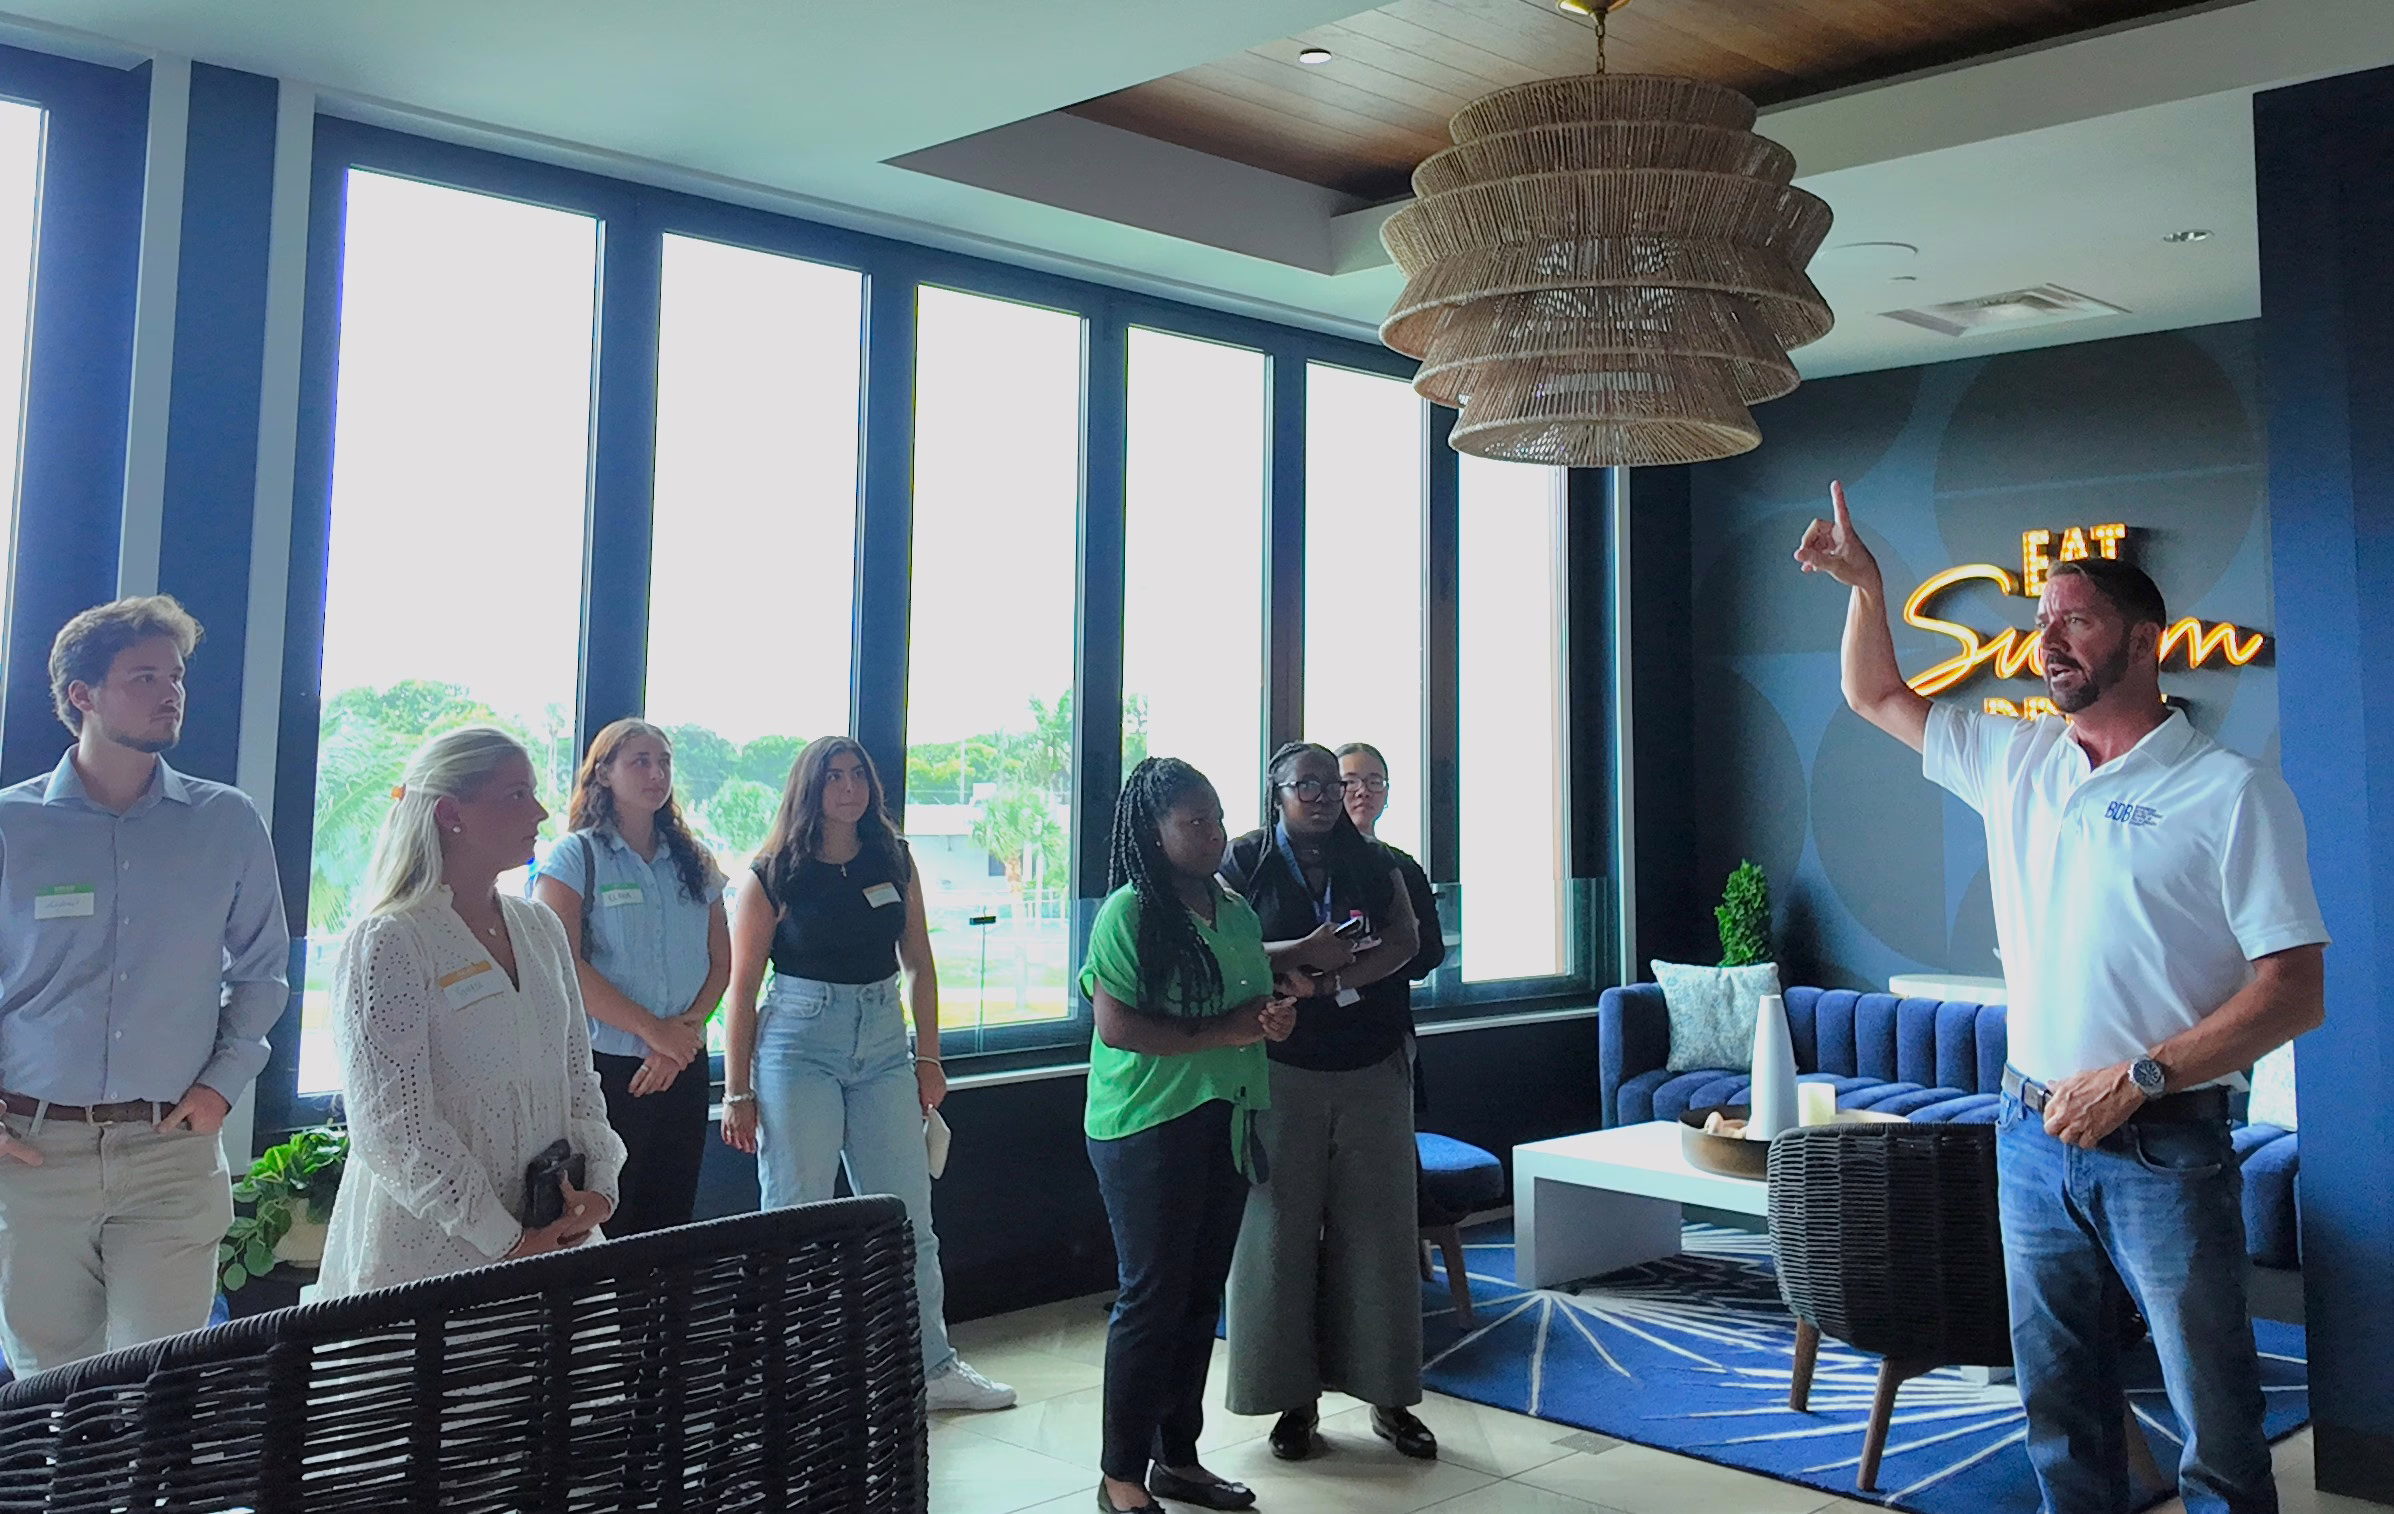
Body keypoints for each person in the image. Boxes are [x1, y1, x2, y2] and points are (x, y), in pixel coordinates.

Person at [1796, 481, 2327, 1514]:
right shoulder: (2016, 758)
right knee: (2059, 1405)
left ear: (2145, 640)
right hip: (2030, 1130)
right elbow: (1875, 695)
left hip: (2166, 1144)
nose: (2047, 640)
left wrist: (2140, 1078)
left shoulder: (2230, 792)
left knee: (2216, 1420)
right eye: (2041, 620)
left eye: (2074, 619)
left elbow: (2295, 991)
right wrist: (1866, 588)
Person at [0, 596, 289, 1375]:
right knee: (49, 1387)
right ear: (82, 695)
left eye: (177, 676)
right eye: (144, 677)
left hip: (171, 1151)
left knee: (160, 1382)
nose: (171, 694)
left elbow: (261, 971)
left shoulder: (226, 822)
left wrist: (222, 1085)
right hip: (32, 1154)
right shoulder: (11, 827)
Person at [719, 735, 1013, 1413]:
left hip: (882, 1043)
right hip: (798, 1044)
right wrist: (738, 1092)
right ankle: (790, 1382)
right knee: (797, 1216)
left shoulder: (894, 857)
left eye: (858, 774)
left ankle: (930, 1367)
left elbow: (920, 964)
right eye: (833, 777)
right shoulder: (773, 872)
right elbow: (741, 990)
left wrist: (929, 1058)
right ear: (809, 788)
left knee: (907, 1217)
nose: (849, 788)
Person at [319, 727, 626, 1296]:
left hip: (557, 1238)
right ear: (450, 814)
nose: (539, 811)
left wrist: (600, 1187)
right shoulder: (392, 940)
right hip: (434, 1253)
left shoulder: (541, 928)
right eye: (516, 795)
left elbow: (577, 1079)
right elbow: (393, 1130)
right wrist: (504, 1239)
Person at [1082, 757, 1296, 1514]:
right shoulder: (1130, 913)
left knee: (1200, 1295)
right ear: (1153, 831)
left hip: (1227, 1115)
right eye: (1194, 822)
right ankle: (1120, 1476)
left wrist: (1272, 1019)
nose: (1213, 834)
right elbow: (1118, 1026)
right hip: (1146, 1123)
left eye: (1217, 819)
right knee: (1153, 1296)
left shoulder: (1233, 908)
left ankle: (1178, 1458)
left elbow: (1252, 1005)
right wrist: (1226, 1031)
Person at [1221, 741, 1433, 1463]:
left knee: (1380, 1234)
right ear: (1276, 790)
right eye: (1305, 784)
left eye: (1329, 785)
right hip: (1279, 1071)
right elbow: (1223, 949)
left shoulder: (1374, 860)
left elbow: (1406, 941)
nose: (1321, 797)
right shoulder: (1244, 862)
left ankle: (1390, 1398)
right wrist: (1302, 950)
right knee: (1276, 1237)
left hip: (1372, 1063)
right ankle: (1293, 1404)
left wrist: (1328, 983)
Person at [533, 720, 729, 1237]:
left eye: (664, 761)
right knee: (606, 1223)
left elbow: (720, 963)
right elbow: (562, 964)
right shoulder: (575, 856)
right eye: (640, 761)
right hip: (608, 1070)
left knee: (672, 1220)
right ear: (604, 772)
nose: (656, 773)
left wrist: (679, 1041)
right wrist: (653, 1032)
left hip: (683, 1065)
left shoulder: (695, 860)